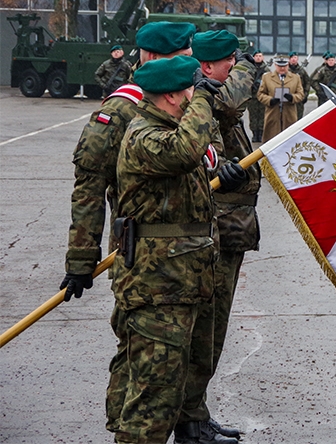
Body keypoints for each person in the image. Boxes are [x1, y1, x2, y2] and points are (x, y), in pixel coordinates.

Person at [59, 21, 198, 436]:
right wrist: (81, 257)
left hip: (182, 256)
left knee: (162, 358)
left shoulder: (180, 103)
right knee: (142, 354)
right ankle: (128, 429)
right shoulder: (122, 109)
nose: (191, 65)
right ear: (155, 58)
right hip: (143, 254)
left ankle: (161, 424)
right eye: (182, 57)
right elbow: (89, 183)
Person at [108, 54, 228, 444]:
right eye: (191, 92)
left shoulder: (168, 129)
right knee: (152, 401)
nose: (196, 98)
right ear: (175, 97)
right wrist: (204, 103)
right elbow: (185, 151)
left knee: (172, 386)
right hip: (157, 289)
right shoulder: (145, 135)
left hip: (180, 281)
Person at [174, 30, 260, 443]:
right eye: (229, 61)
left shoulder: (211, 97)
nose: (236, 67)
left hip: (229, 227)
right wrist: (245, 66)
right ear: (207, 67)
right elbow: (234, 95)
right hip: (214, 231)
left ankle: (196, 412)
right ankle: (189, 419)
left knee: (213, 331)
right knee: (206, 331)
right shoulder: (204, 99)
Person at [257, 56, 305, 143]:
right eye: (279, 66)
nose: (282, 68)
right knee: (272, 142)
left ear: (288, 65)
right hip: (273, 114)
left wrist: (292, 98)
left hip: (289, 114)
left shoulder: (295, 78)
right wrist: (270, 100)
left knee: (290, 142)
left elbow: (301, 94)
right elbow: (260, 94)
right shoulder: (267, 77)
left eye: (284, 66)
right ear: (275, 65)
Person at [248, 50, 267, 142]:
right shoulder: (250, 69)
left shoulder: (266, 70)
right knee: (253, 116)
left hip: (262, 96)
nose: (258, 57)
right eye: (256, 56)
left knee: (262, 115)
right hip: (252, 96)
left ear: (262, 57)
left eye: (260, 56)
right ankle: (255, 134)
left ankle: (261, 133)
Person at [287, 51, 311, 117]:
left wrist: (305, 95)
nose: (293, 59)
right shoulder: (285, 70)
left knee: (299, 118)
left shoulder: (302, 71)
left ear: (297, 59)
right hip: (287, 99)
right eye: (291, 57)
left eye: (295, 57)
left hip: (299, 99)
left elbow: (308, 82)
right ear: (289, 59)